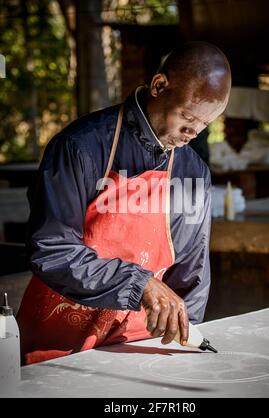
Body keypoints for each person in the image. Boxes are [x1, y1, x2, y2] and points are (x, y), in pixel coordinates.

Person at [17, 42, 231, 365]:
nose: (192, 133)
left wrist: (183, 348)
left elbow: (190, 280)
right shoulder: (80, 148)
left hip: (134, 348)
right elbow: (50, 248)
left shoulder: (194, 175)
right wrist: (139, 282)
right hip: (56, 347)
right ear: (160, 86)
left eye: (203, 125)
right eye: (187, 117)